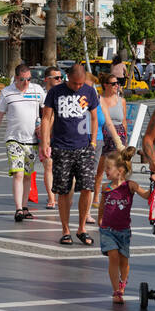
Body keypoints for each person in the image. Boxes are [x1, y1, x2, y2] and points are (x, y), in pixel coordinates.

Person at [41, 63, 101, 246]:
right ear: (68, 78)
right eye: (74, 83)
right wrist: (45, 142)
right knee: (64, 190)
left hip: (84, 147)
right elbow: (46, 118)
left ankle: (82, 228)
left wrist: (92, 142)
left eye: (80, 83)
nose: (77, 87)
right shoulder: (55, 92)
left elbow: (93, 117)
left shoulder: (89, 92)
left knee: (87, 187)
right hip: (62, 147)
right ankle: (65, 230)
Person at [0, 63, 45, 222]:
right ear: (16, 78)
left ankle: (25, 206)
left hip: (32, 140)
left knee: (27, 175)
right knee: (18, 174)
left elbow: (46, 109)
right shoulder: (7, 92)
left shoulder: (37, 90)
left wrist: (44, 128)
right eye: (22, 79)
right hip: (14, 139)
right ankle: (18, 209)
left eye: (28, 79)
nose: (26, 83)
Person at [96, 146, 149, 303]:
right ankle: (116, 291)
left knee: (124, 260)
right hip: (107, 229)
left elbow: (146, 195)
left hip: (123, 230)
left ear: (120, 170)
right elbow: (102, 205)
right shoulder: (106, 187)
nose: (106, 171)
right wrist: (100, 217)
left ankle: (122, 282)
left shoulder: (130, 186)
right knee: (113, 257)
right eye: (105, 168)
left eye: (108, 168)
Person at [90, 72, 128, 221]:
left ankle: (118, 195)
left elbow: (124, 120)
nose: (116, 86)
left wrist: (124, 141)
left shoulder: (121, 100)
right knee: (100, 169)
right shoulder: (99, 100)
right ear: (105, 85)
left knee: (118, 169)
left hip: (118, 135)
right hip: (103, 134)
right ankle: (95, 198)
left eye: (118, 83)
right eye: (113, 83)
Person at [39, 66, 64, 207]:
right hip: (45, 134)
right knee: (48, 164)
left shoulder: (63, 94)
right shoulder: (41, 94)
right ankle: (51, 198)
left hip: (60, 134)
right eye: (56, 78)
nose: (60, 80)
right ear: (47, 79)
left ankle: (60, 195)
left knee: (60, 167)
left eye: (61, 77)